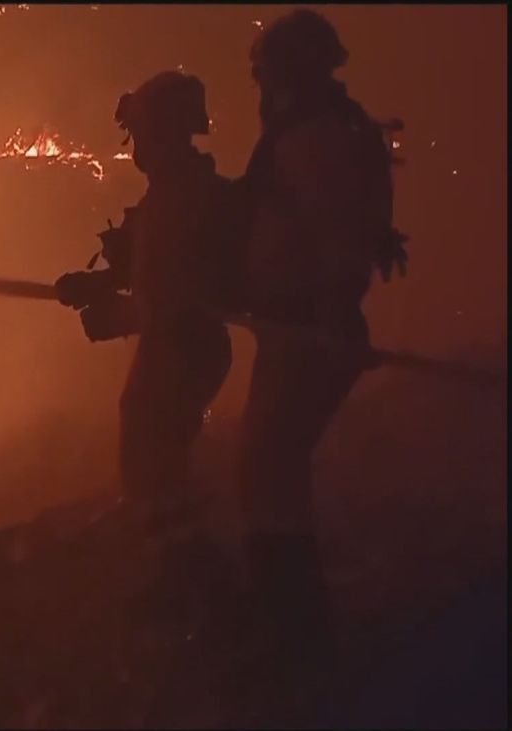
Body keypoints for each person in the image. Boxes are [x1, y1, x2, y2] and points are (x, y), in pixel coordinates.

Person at [237, 8, 403, 674]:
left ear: (290, 72)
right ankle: (288, 624)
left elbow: (335, 238)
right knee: (267, 470)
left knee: (268, 472)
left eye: (266, 73)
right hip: (297, 324)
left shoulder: (314, 140)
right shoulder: (326, 132)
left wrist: (330, 318)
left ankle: (292, 633)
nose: (260, 87)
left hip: (306, 327)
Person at [56, 71, 242, 552]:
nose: (135, 144)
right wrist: (98, 281)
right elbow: (154, 268)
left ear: (164, 132)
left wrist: (121, 317)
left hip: (185, 345)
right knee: (155, 453)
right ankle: (174, 554)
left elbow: (182, 294)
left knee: (154, 458)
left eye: (140, 132)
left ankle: (181, 568)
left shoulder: (186, 198)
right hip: (182, 343)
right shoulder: (175, 192)